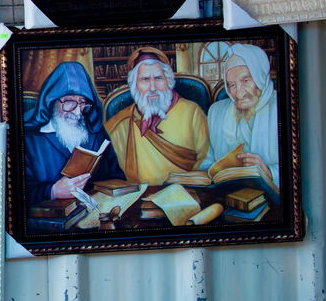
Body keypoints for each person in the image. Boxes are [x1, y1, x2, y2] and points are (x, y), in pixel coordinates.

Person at [22, 61, 124, 205]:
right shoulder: (29, 139)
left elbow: (116, 178)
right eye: (69, 102)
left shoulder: (96, 133)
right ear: (51, 100)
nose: (77, 112)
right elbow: (17, 191)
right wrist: (52, 191)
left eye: (82, 102)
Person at [105, 47, 209, 185]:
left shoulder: (192, 112)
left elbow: (206, 161)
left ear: (168, 81)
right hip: (138, 196)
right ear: (134, 85)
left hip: (186, 193)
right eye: (145, 79)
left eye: (158, 78)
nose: (153, 87)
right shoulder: (120, 124)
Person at [202, 44, 280, 187]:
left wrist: (269, 172)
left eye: (245, 81)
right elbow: (206, 161)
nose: (239, 93)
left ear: (260, 77)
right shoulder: (216, 112)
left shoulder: (282, 107)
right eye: (232, 85)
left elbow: (302, 165)